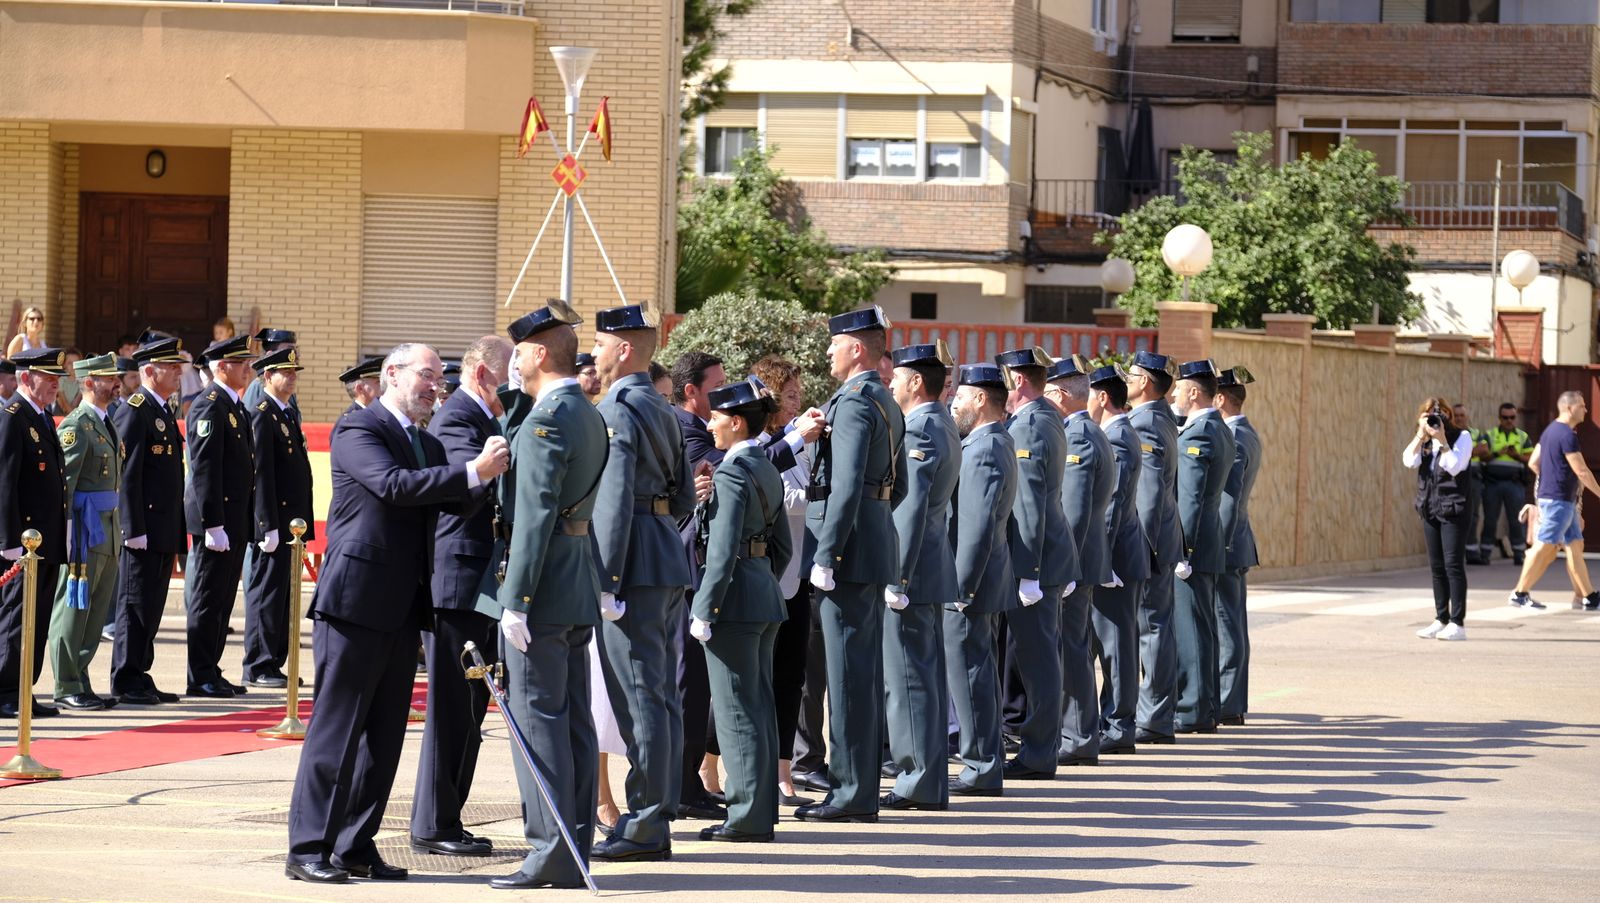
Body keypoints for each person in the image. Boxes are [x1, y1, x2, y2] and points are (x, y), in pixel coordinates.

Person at [285, 342, 508, 884]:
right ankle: (308, 848)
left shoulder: (425, 440)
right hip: (356, 601)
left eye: (438, 378)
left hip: (406, 604)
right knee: (338, 729)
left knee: (384, 736)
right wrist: (473, 471)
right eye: (426, 375)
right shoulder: (359, 427)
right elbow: (393, 486)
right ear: (392, 374)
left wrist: (487, 474)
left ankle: (354, 845)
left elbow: (454, 500)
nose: (435, 386)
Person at [475, 303, 605, 889]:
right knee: (571, 720)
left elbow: (533, 517)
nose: (516, 359)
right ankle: (573, 844)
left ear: (540, 353)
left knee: (537, 721)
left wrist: (516, 599)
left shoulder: (547, 421)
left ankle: (550, 850)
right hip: (573, 581)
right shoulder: (583, 411)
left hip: (542, 589)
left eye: (522, 350)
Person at [589, 305, 697, 863]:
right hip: (662, 553)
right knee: (659, 694)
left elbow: (611, 499)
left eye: (601, 343)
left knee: (639, 696)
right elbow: (683, 495)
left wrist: (606, 578)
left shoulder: (617, 406)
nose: (595, 353)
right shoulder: (660, 404)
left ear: (624, 349)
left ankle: (647, 821)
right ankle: (659, 809)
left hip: (630, 562)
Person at [795, 306, 906, 823]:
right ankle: (855, 788)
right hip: (868, 545)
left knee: (846, 679)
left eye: (834, 343)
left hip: (847, 554)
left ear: (856, 349)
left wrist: (828, 553)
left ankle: (851, 793)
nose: (828, 351)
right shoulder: (883, 400)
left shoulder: (857, 402)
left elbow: (845, 485)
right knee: (857, 674)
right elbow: (896, 486)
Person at [410, 336, 512, 856]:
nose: (515, 389)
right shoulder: (458, 419)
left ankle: (446, 818)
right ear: (482, 375)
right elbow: (460, 493)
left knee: (471, 706)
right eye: (508, 378)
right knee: (453, 708)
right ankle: (434, 823)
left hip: (479, 582)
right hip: (456, 581)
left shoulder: (483, 419)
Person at [690, 376, 793, 842]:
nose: (709, 425)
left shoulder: (732, 472)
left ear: (736, 422)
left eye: (715, 418)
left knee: (735, 711)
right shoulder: (764, 465)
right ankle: (759, 809)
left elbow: (723, 547)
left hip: (733, 601)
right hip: (763, 593)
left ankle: (747, 816)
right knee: (757, 707)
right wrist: (761, 579)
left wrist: (706, 606)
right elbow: (782, 547)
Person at [993, 346, 1078, 780]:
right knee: (1040, 655)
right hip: (1047, 555)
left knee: (1038, 659)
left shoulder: (1029, 424)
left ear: (1018, 380)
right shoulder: (1043, 416)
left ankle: (1039, 753)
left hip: (1037, 559)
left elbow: (1027, 504)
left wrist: (1028, 572)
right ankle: (1040, 747)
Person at [881, 342, 959, 811]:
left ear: (915, 382)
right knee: (923, 679)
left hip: (913, 571)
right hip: (929, 568)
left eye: (896, 377)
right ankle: (929, 780)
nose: (890, 383)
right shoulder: (940, 421)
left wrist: (897, 578)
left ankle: (917, 781)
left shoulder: (920, 428)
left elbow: (909, 511)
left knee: (909, 682)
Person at [944, 363, 1018, 797]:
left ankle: (980, 766)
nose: (954, 404)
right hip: (986, 579)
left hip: (973, 584)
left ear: (981, 399)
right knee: (980, 674)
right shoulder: (993, 441)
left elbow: (976, 526)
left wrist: (962, 588)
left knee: (971, 676)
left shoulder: (984, 448)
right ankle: (986, 760)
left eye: (960, 397)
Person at [748, 354, 816, 807]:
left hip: (797, 574)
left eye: (798, 394)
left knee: (791, 677)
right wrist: (819, 499)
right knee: (755, 676)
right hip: (764, 573)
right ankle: (713, 765)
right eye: (789, 395)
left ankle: (783, 771)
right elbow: (777, 496)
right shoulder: (754, 442)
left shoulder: (797, 441)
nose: (796, 402)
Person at [108, 336, 187, 705]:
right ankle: (126, 678)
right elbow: (127, 475)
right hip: (143, 528)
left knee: (152, 605)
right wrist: (132, 527)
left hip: (163, 526)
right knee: (134, 604)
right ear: (151, 371)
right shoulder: (135, 410)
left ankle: (140, 671)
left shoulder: (162, 409)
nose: (178, 372)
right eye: (171, 367)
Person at [1045, 355, 1114, 764]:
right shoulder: (1086, 431)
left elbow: (1073, 510)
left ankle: (1077, 737)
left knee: (1072, 650)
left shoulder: (1079, 436)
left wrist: (1064, 564)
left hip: (1075, 560)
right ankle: (1079, 734)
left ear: (1060, 394)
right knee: (1076, 647)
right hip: (1082, 558)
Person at [182, 335, 257, 698]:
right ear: (222, 367)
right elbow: (205, 470)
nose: (248, 368)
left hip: (234, 519)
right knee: (208, 599)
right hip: (218, 521)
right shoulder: (209, 405)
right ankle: (200, 675)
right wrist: (213, 523)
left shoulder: (235, 406)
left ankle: (211, 667)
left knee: (223, 600)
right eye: (241, 363)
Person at [47, 353, 123, 710]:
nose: (117, 383)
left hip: (108, 528)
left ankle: (80, 677)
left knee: (95, 613)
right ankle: (65, 684)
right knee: (73, 608)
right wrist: (65, 536)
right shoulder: (76, 426)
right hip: (83, 531)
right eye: (109, 379)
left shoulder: (106, 422)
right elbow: (65, 488)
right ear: (89, 383)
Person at [0, 346, 68, 719]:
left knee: (38, 619)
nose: (56, 385)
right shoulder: (13, 417)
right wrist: (8, 540)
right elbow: (5, 484)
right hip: (22, 544)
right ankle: (6, 690)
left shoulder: (41, 417)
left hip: (45, 541)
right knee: (17, 618)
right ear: (27, 378)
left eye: (58, 378)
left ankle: (24, 688)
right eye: (50, 377)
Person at [241, 347, 314, 689]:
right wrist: (265, 524)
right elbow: (261, 475)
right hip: (275, 522)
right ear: (267, 376)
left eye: (295, 371)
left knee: (284, 596)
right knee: (266, 594)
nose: (293, 377)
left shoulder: (285, 413)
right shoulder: (262, 413)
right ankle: (259, 664)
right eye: (286, 372)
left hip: (291, 524)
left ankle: (275, 661)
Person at [1085, 364, 1148, 753]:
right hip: (1114, 554)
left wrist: (1102, 560)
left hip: (1116, 557)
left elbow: (1113, 503)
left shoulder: (1118, 438)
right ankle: (1108, 721)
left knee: (1116, 645)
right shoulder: (1115, 434)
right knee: (1107, 642)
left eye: (1089, 394)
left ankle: (1119, 724)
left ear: (1103, 397)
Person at [1168, 360, 1234, 734]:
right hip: (1209, 541)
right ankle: (1206, 706)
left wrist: (1184, 550)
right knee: (1203, 627)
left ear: (1194, 392)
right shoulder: (1217, 427)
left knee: (1191, 628)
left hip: (1194, 545)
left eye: (1180, 387)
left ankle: (1192, 708)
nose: (1175, 393)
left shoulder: (1201, 432)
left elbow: (1190, 499)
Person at [1126, 350, 1180, 745]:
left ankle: (1156, 717)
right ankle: (1157, 713)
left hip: (1151, 541)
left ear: (1145, 382)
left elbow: (1148, 494)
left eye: (1131, 375)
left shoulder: (1145, 422)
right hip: (1162, 538)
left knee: (1151, 629)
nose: (1127, 382)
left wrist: (1141, 549)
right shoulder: (1158, 417)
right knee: (1155, 626)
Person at [1507, 391, 1600, 614]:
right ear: (1569, 408)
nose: (1586, 410)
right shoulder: (1567, 435)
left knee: (1575, 546)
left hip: (1559, 499)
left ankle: (1588, 597)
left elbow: (1533, 462)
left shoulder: (1549, 432)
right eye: (1582, 406)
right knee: (1543, 547)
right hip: (1558, 501)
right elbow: (1581, 470)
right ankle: (1519, 593)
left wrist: (1550, 478)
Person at [1404, 396, 1475, 641]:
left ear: (1448, 415)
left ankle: (1457, 623)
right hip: (1430, 508)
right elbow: (1408, 461)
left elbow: (1454, 466)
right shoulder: (1423, 441)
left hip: (1454, 509)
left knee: (1453, 565)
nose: (1436, 418)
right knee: (1436, 567)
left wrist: (1442, 439)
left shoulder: (1462, 437)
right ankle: (1441, 618)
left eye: (1440, 412)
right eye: (1429, 414)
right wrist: (1420, 435)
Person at [1215, 367, 1260, 726]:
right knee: (1230, 621)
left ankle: (1229, 702)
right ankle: (1231, 700)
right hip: (1235, 539)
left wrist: (1221, 544)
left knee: (1227, 624)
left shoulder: (1235, 437)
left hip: (1228, 541)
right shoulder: (1244, 432)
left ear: (1219, 399)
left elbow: (1228, 501)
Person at [1479, 402, 1532, 566]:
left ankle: (1519, 554)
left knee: (1517, 520)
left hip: (1514, 483)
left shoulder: (1522, 436)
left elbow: (1531, 459)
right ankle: (1485, 554)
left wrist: (1517, 456)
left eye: (1512, 417)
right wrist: (1496, 453)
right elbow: (1481, 456)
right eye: (1505, 417)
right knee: (1490, 520)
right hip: (1493, 483)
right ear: (1499, 418)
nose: (1509, 420)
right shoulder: (1490, 434)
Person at [243, 328, 298, 412]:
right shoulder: (259, 386)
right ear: (270, 354)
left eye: (295, 350)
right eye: (289, 350)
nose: (294, 355)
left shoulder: (287, 390)